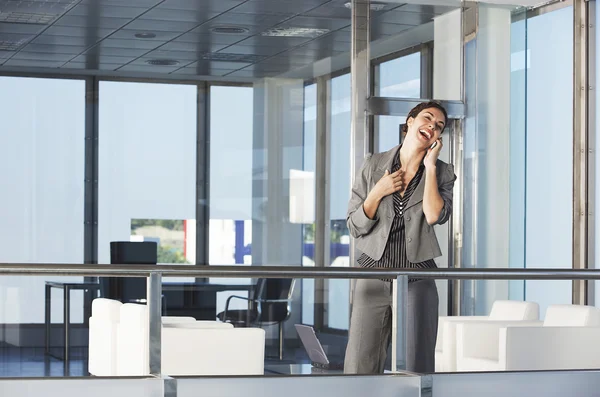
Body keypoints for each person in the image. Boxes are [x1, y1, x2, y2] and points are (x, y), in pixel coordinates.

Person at [343, 101, 456, 374]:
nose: (432, 125)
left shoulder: (443, 172)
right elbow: (354, 226)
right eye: (427, 118)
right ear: (410, 122)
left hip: (417, 280)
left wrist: (429, 167)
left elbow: (434, 215)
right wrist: (377, 191)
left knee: (417, 368)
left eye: (438, 125)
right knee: (359, 365)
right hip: (371, 277)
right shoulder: (373, 165)